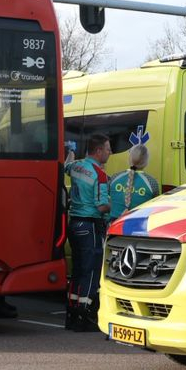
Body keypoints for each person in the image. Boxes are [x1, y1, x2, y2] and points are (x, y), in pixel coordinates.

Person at [62, 132, 112, 331]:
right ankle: (86, 315)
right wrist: (113, 206)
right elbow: (101, 206)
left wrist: (71, 152)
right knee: (91, 272)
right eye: (108, 149)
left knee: (77, 271)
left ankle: (72, 311)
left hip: (74, 224)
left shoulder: (76, 167)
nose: (110, 153)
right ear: (98, 151)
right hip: (91, 225)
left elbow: (65, 166)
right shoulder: (99, 174)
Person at [107, 142, 160, 219]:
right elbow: (154, 209)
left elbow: (107, 201)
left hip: (113, 227)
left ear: (130, 158)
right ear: (146, 161)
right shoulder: (152, 183)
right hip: (139, 228)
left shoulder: (115, 178)